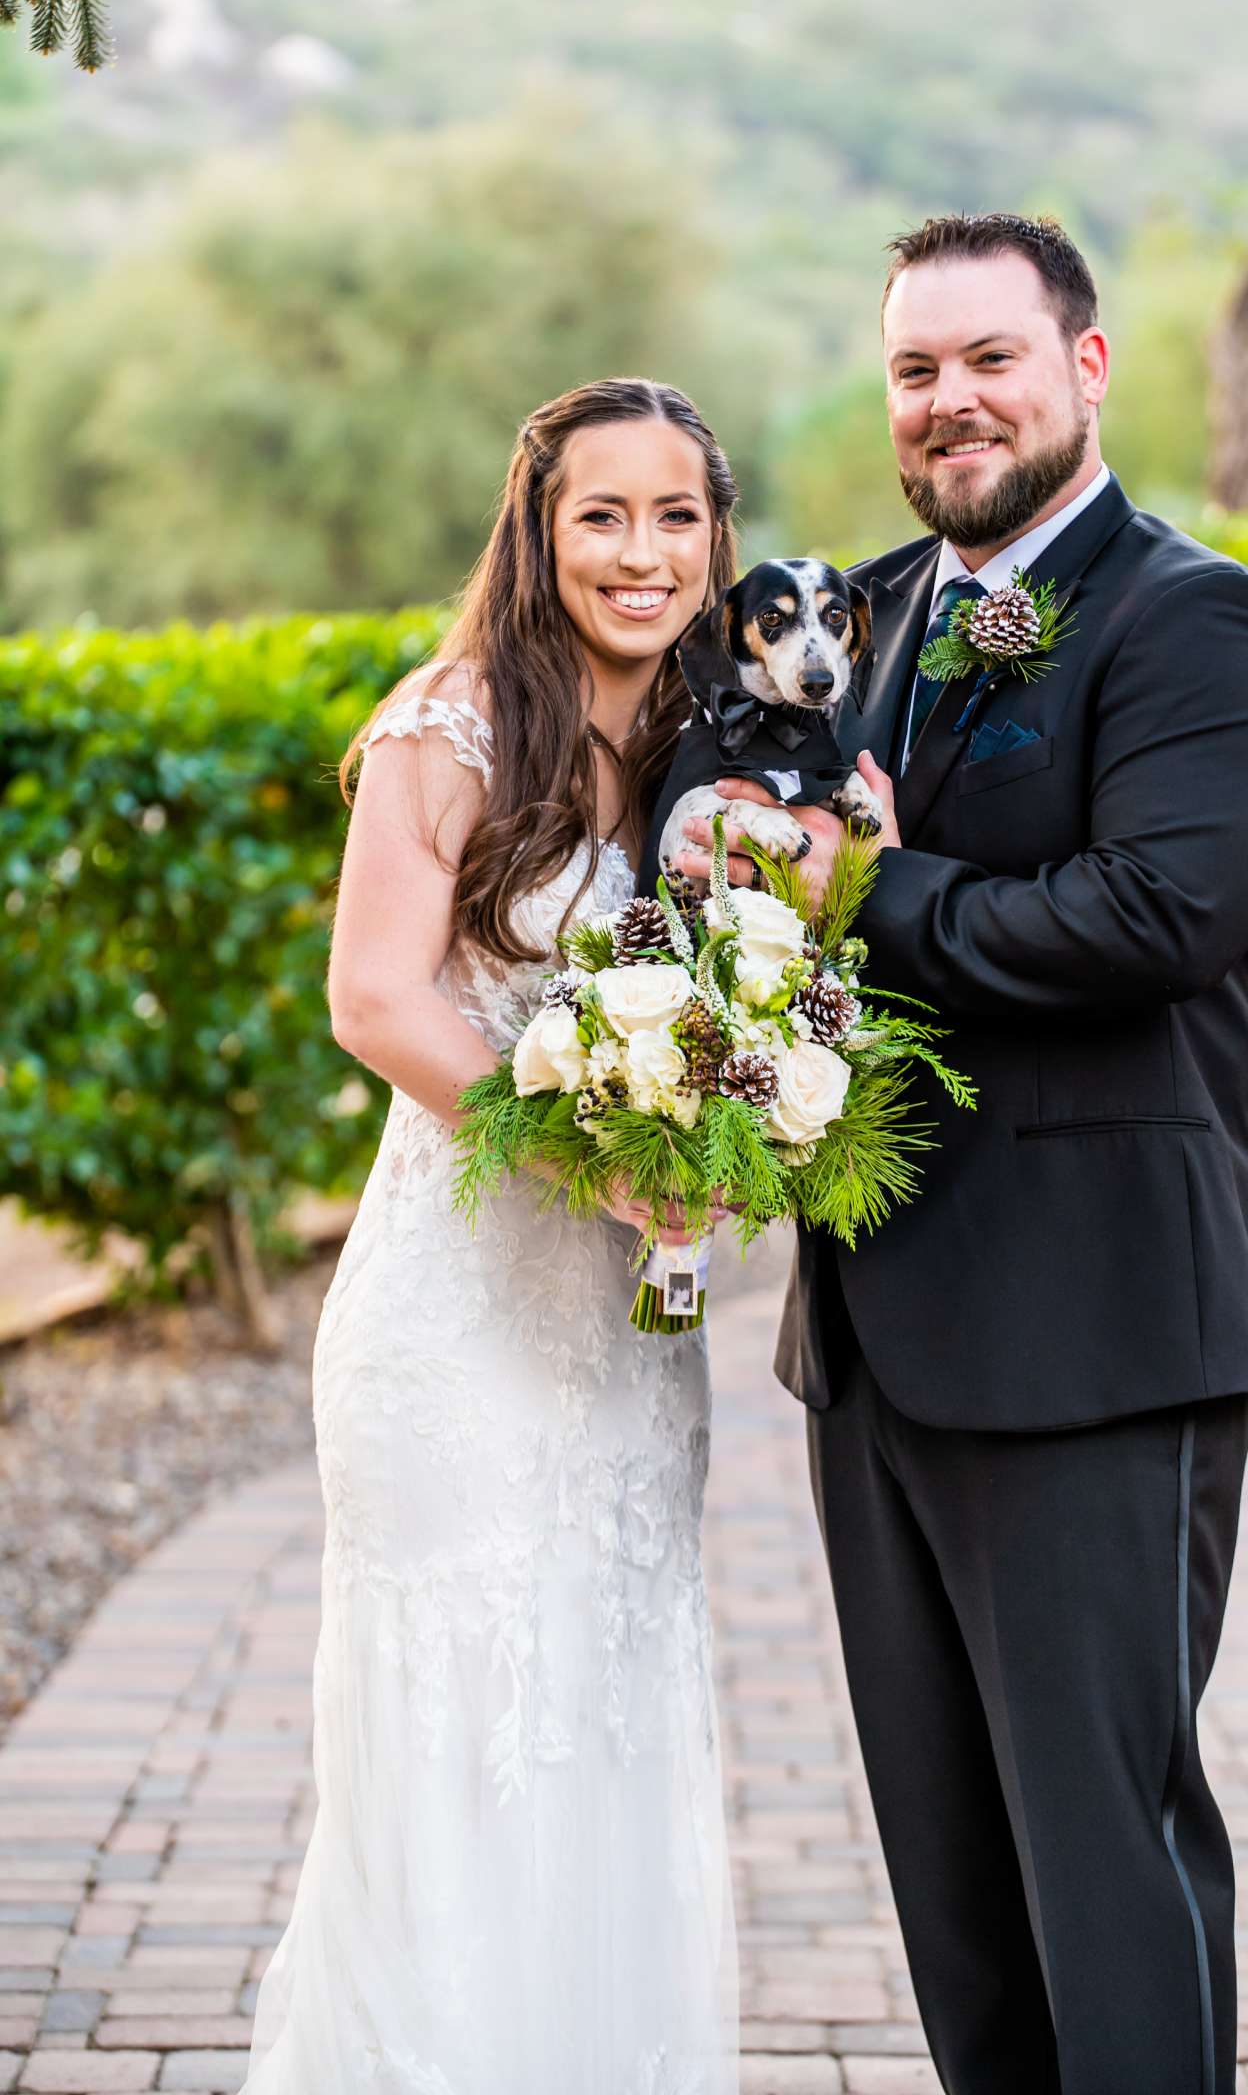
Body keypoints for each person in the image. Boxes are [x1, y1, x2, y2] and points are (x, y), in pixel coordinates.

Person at [672, 213, 1248, 2095]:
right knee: (954, 1888)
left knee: (1104, 1858)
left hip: (1100, 1329)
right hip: (876, 1344)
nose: (949, 401)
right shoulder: (853, 618)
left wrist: (859, 882)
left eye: (989, 360)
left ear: (1087, 367)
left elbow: (1150, 921)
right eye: (913, 369)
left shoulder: (1197, 618)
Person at [243, 378, 742, 2095]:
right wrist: (583, 1153)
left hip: (624, 1335)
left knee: (606, 1714)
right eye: (602, 513)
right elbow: (374, 996)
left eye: (676, 516)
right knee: (463, 1736)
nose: (641, 552)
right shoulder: (452, 726)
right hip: (455, 1325)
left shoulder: (708, 743)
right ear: (536, 530)